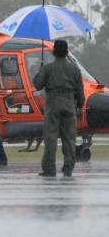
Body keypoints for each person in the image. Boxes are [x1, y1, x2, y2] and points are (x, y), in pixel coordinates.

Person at [33, 40, 85, 177]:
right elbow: (80, 91)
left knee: (50, 137)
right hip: (69, 106)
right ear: (67, 52)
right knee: (69, 138)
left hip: (52, 106)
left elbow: (37, 85)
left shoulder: (47, 69)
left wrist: (40, 71)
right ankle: (68, 168)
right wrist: (80, 105)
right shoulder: (75, 70)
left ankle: (49, 169)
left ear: (54, 52)